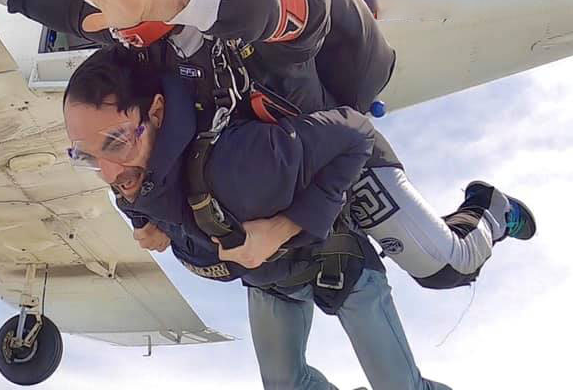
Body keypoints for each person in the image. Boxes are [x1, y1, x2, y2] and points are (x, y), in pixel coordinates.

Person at [0, 0, 535, 289]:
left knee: (445, 267)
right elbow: (75, 15)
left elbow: (269, 4)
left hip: (331, 139)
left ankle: (490, 209)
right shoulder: (137, 34)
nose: (125, 1)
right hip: (268, 162)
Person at [62, 44, 449, 390]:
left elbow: (356, 133)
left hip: (337, 262)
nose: (108, 173)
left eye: (116, 143)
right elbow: (130, 194)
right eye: (88, 158)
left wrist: (284, 228)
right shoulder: (132, 175)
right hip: (272, 283)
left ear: (158, 113)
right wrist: (143, 223)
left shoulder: (244, 161)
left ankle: (482, 218)